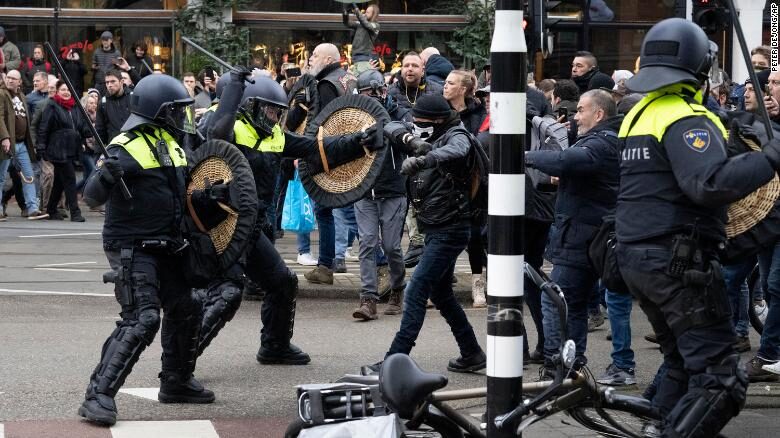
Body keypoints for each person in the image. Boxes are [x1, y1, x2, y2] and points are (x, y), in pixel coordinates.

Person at [615, 18, 780, 436]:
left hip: (637, 257)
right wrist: (772, 156)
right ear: (702, 66)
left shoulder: (639, 113)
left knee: (680, 364)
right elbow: (709, 184)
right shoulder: (686, 116)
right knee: (720, 378)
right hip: (676, 264)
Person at [195, 73, 381, 364]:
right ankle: (180, 365)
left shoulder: (274, 135)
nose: (273, 117)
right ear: (250, 105)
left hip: (251, 229)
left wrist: (358, 142)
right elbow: (214, 134)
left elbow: (316, 149)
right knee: (226, 295)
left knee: (283, 282)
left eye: (277, 111)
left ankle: (274, 346)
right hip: (222, 228)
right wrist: (234, 88)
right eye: (268, 110)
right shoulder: (225, 124)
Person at [77, 74, 213, 426]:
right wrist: (107, 174)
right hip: (131, 245)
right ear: (158, 112)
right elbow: (91, 197)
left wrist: (205, 199)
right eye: (176, 110)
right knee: (143, 317)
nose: (183, 116)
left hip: (167, 243)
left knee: (188, 304)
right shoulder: (123, 145)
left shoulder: (171, 143)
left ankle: (177, 382)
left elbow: (177, 195)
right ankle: (98, 395)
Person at [363, 93, 485, 375]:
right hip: (435, 227)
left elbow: (456, 150)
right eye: (414, 120)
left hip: (452, 228)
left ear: (439, 120)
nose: (416, 124)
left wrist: (424, 159)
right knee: (441, 294)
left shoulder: (456, 134)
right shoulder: (416, 130)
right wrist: (412, 140)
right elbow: (390, 126)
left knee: (416, 290)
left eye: (422, 122)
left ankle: (394, 360)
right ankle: (472, 352)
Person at [526, 89, 621, 375]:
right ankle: (573, 365)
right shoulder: (603, 140)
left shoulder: (601, 143)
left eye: (581, 110)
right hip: (586, 235)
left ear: (599, 113)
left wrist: (524, 155)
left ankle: (558, 366)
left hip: (581, 237)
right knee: (574, 304)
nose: (575, 116)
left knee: (554, 299)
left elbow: (568, 161)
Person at [351, 69, 410, 320]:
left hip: (393, 189)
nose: (375, 96)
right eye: (368, 92)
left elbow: (407, 136)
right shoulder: (353, 116)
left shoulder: (399, 112)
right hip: (365, 191)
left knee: (391, 246)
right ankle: (368, 299)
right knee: (366, 244)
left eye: (378, 90)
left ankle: (397, 289)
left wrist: (383, 123)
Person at [300, 43, 357, 285]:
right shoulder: (348, 78)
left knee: (348, 213)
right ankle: (325, 265)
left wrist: (306, 152)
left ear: (327, 58)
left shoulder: (325, 84)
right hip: (349, 151)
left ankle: (382, 265)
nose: (310, 59)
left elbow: (321, 125)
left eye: (314, 55)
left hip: (330, 156)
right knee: (340, 211)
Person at [388, 51, 444, 267]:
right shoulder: (391, 92)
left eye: (414, 65)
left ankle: (430, 255)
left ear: (423, 70)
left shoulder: (435, 91)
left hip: (429, 155)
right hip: (401, 156)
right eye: (406, 65)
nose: (409, 69)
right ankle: (415, 248)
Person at [36, 80, 93, 222]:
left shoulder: (76, 107)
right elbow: (44, 128)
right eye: (63, 89)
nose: (66, 92)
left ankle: (51, 209)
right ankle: (75, 212)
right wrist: (41, 147)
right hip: (58, 148)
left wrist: (88, 130)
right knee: (69, 178)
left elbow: (82, 126)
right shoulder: (52, 106)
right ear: (57, 91)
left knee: (60, 182)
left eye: (68, 89)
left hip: (72, 147)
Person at [0, 69, 48, 219]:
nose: (10, 80)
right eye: (8, 77)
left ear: (20, 82)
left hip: (22, 144)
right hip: (7, 143)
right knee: (1, 177)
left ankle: (32, 209)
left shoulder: (21, 96)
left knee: (29, 175)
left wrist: (31, 142)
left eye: (14, 78)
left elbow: (27, 120)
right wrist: (4, 137)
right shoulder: (1, 94)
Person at [95, 69, 132, 146]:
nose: (109, 85)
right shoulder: (103, 103)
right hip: (115, 147)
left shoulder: (133, 97)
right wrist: (99, 153)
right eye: (107, 82)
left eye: (113, 81)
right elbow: (100, 130)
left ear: (121, 82)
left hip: (134, 144)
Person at [342, 3, 380, 76]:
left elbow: (366, 24)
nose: (365, 14)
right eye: (365, 12)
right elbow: (347, 23)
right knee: (357, 78)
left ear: (373, 14)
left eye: (368, 12)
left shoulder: (375, 25)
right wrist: (345, 13)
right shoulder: (361, 24)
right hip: (356, 57)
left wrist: (356, 9)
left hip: (364, 57)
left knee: (360, 78)